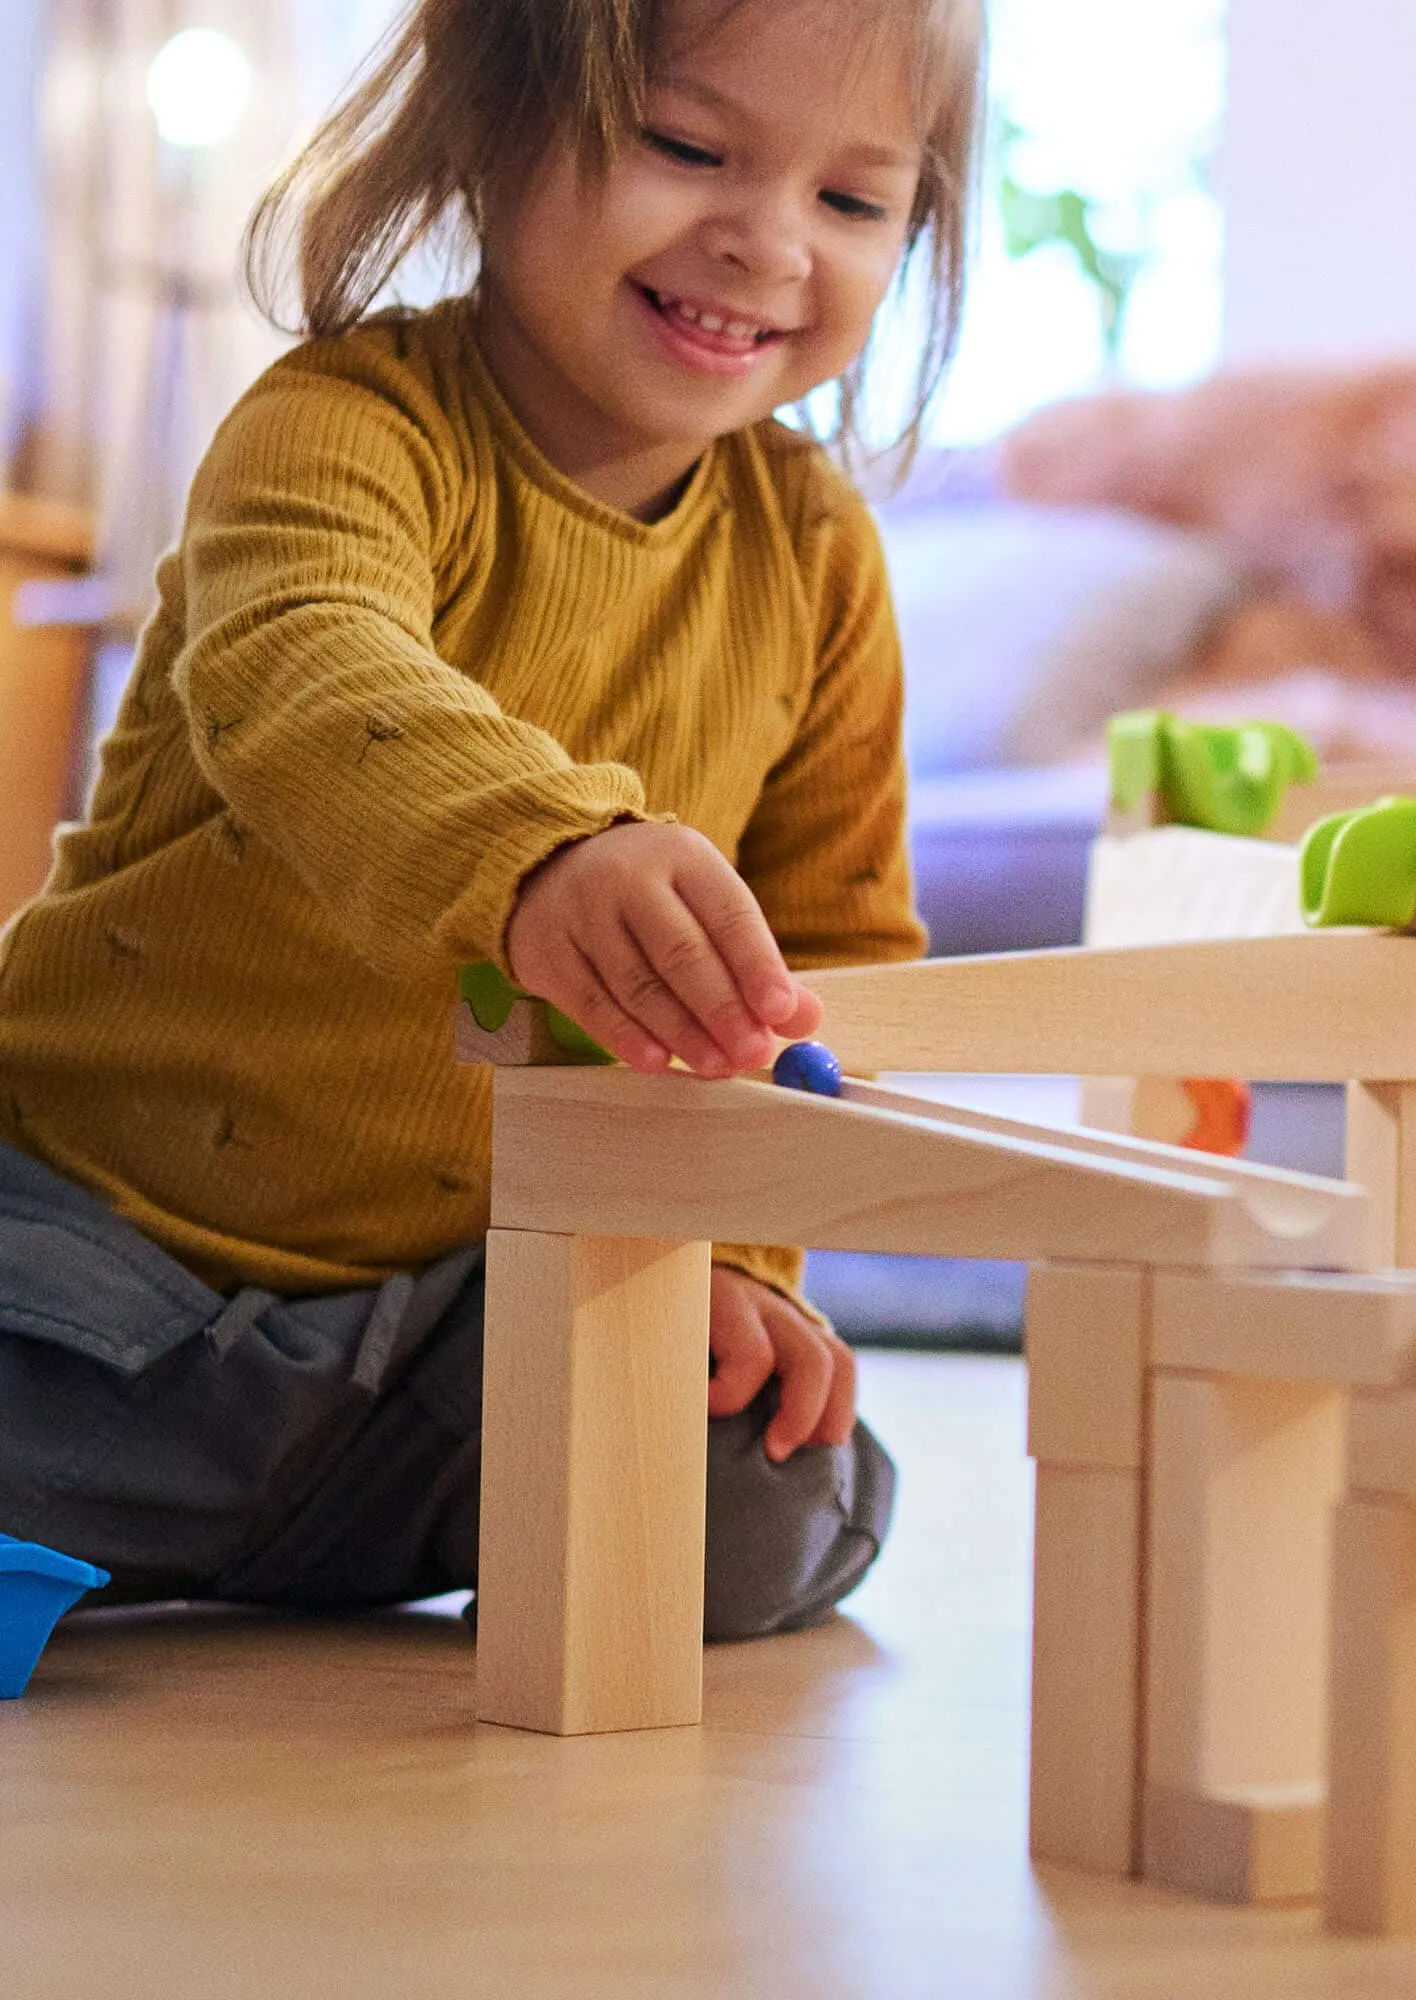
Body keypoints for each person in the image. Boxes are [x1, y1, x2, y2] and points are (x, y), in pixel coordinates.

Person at [0, 0, 984, 1639]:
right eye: (687, 148)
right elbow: (304, 662)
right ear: (489, 122)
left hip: (484, 1315)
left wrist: (739, 1261)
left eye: (854, 200)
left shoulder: (814, 553)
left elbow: (822, 961)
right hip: (110, 1266)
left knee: (763, 1503)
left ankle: (218, 1539)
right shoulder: (343, 420)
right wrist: (540, 851)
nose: (765, 244)